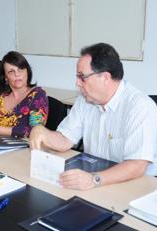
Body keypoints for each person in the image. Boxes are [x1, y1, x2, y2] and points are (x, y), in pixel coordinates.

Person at [30, 43, 157, 190]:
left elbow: (137, 165)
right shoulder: (86, 100)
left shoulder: (139, 106)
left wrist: (94, 179)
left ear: (104, 77)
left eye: (82, 77)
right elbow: (65, 139)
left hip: (135, 186)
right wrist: (42, 132)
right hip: (97, 178)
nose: (77, 83)